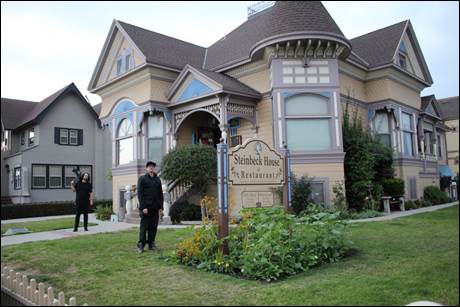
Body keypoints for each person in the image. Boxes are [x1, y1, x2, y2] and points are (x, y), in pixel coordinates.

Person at [136, 161, 163, 253]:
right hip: (146, 208)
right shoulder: (142, 179)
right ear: (146, 168)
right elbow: (140, 194)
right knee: (144, 227)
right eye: (149, 167)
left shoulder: (157, 179)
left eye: (152, 167)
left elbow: (160, 194)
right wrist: (143, 207)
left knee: (153, 227)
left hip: (155, 207)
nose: (151, 168)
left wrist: (160, 207)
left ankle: (151, 243)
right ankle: (141, 245)